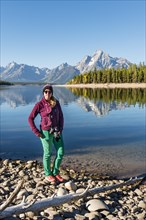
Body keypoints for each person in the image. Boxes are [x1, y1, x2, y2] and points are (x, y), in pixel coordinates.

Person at [28, 84, 64, 183]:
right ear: (43, 93)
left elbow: (61, 117)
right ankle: (48, 174)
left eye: (49, 92)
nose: (47, 93)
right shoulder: (39, 105)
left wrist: (60, 129)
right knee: (47, 154)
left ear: (52, 93)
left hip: (57, 132)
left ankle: (56, 172)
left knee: (61, 152)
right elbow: (30, 118)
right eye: (45, 92)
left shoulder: (56, 103)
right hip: (45, 133)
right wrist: (36, 131)